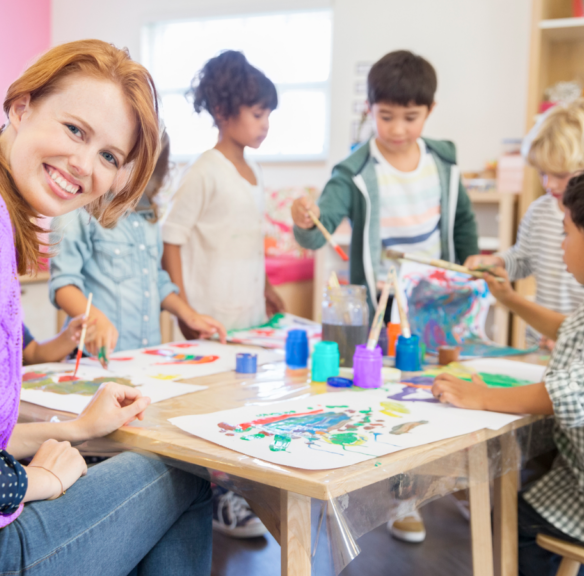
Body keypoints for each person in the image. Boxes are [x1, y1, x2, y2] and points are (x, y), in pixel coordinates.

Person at [0, 40, 212, 576]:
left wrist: (77, 428)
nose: (83, 165)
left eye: (109, 156)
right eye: (76, 130)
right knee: (183, 474)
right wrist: (34, 481)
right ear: (22, 106)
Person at [290, 49, 479, 542]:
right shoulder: (353, 171)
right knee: (393, 399)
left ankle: (449, 481)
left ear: (429, 112)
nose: (397, 129)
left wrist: (471, 265)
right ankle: (402, 497)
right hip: (383, 307)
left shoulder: (444, 162)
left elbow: (461, 222)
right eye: (386, 115)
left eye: (410, 117)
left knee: (445, 392)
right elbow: (317, 234)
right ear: (369, 109)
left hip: (438, 300)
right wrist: (305, 221)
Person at [433, 156, 584, 576]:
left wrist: (481, 396)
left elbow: (567, 394)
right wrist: (509, 300)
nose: (561, 245)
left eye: (566, 234)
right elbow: (570, 327)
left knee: (512, 518)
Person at [161, 50, 284, 539]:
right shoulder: (205, 170)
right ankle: (215, 499)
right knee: (209, 408)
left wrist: (270, 289)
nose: (266, 124)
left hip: (248, 311)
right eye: (258, 113)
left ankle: (235, 488)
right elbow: (172, 240)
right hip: (209, 315)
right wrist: (186, 310)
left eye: (269, 114)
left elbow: (247, 241)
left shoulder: (251, 173)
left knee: (242, 402)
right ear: (222, 113)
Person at [49, 131, 226, 359]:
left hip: (146, 357)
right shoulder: (78, 210)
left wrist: (188, 315)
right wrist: (95, 319)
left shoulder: (147, 216)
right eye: (119, 161)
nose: (135, 174)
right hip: (95, 359)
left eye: (144, 169)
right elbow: (64, 284)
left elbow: (157, 280)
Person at [465, 98, 584, 348]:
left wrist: (574, 335)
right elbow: (524, 259)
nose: (549, 184)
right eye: (542, 172)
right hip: (541, 343)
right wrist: (497, 262)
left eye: (560, 175)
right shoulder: (540, 210)